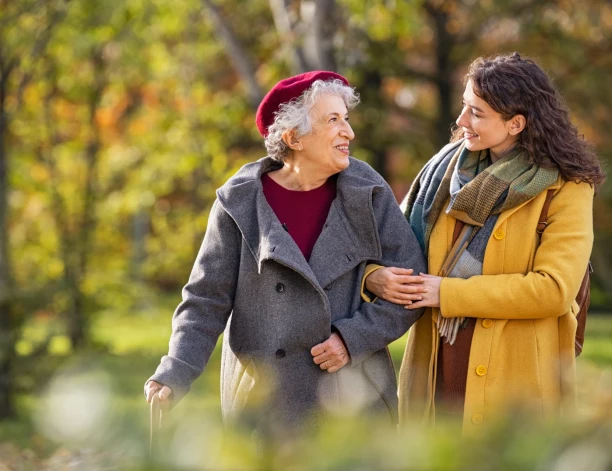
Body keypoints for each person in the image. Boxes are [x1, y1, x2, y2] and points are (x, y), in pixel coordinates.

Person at [145, 71, 426, 437]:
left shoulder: (368, 191)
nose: (349, 132)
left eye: (346, 118)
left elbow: (412, 285)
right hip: (266, 402)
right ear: (293, 137)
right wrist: (175, 371)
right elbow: (205, 299)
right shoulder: (240, 202)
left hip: (354, 398)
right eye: (333, 120)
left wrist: (352, 338)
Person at [362, 53, 604, 433]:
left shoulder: (567, 188)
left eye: (476, 112)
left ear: (515, 123)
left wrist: (449, 293)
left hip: (516, 384)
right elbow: (386, 246)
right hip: (435, 371)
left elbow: (554, 289)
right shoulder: (442, 174)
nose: (460, 122)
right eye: (463, 106)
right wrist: (374, 277)